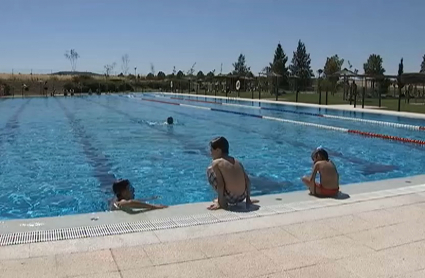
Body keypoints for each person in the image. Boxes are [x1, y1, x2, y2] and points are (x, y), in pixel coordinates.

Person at [206, 136, 258, 210]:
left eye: (211, 150)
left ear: (218, 150)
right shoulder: (237, 161)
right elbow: (247, 181)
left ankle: (221, 200)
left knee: (210, 170)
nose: (210, 153)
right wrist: (248, 200)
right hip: (242, 196)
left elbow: (221, 184)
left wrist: (220, 203)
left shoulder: (216, 163)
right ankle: (246, 199)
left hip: (231, 198)